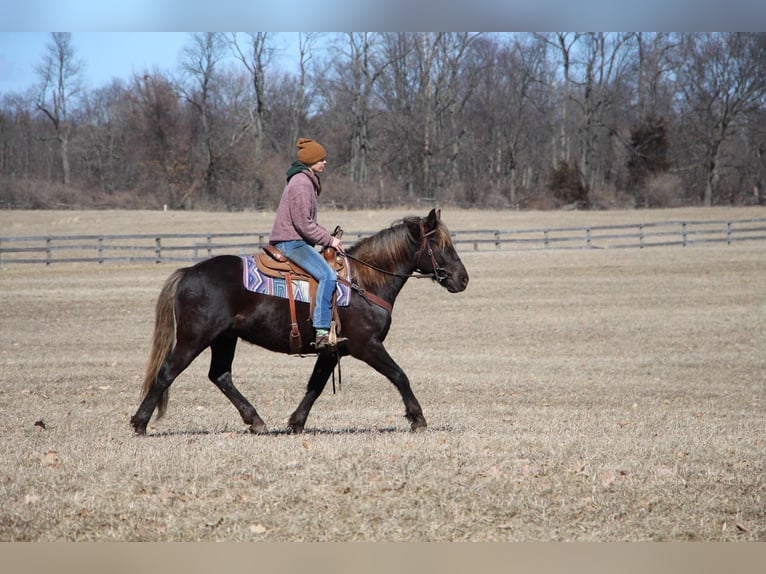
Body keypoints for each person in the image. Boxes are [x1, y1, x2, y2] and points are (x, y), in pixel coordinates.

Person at [269, 138, 348, 352]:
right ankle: (322, 332)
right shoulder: (302, 184)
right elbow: (304, 224)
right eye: (321, 159)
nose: (325, 162)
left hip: (295, 240)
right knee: (328, 275)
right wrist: (329, 240)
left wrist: (325, 236)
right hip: (291, 243)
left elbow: (308, 223)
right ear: (310, 161)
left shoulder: (305, 181)